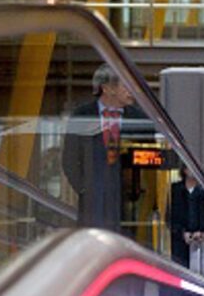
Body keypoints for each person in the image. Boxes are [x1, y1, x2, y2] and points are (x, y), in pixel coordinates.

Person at [61, 64, 149, 233]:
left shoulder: (140, 118)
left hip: (128, 198)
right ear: (107, 88)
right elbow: (69, 159)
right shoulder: (82, 115)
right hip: (93, 200)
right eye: (126, 85)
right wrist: (84, 189)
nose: (132, 91)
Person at [168, 166, 204, 275]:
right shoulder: (175, 190)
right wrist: (182, 232)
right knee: (182, 273)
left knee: (203, 274)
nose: (193, 171)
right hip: (182, 244)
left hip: (203, 242)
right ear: (184, 170)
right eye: (189, 168)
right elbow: (171, 217)